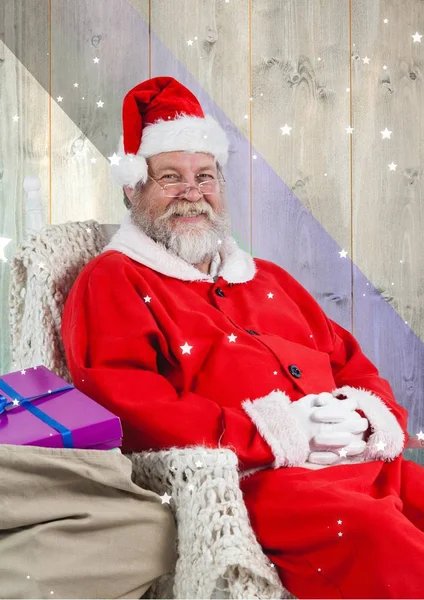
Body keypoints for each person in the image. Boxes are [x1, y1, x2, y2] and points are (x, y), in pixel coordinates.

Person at [61, 76, 424, 599]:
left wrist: (366, 416)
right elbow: (123, 401)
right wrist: (275, 430)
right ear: (132, 187)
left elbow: (348, 361)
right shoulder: (115, 280)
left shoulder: (269, 279)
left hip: (365, 469)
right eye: (170, 177)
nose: (193, 193)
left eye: (205, 176)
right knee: (383, 544)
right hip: (258, 484)